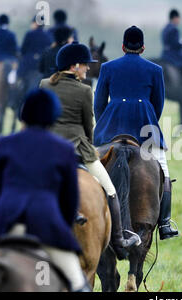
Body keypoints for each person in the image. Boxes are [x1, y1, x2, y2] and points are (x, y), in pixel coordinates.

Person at [0, 88, 91, 292]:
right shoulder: (63, 149)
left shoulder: (5, 143)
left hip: (3, 220)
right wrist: (60, 224)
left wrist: (2, 212)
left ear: (24, 114)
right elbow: (70, 199)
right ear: (52, 116)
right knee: (78, 282)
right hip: (46, 224)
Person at [40, 41, 141, 258]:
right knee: (111, 190)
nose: (88, 68)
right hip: (77, 151)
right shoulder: (85, 90)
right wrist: (90, 146)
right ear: (75, 66)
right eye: (85, 65)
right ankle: (120, 240)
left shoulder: (44, 85)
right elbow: (88, 127)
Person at [94, 26, 178, 240]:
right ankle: (166, 223)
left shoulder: (107, 67)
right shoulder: (155, 70)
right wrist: (147, 118)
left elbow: (99, 103)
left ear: (123, 46)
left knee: (92, 166)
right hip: (144, 125)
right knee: (163, 170)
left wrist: (106, 123)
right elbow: (158, 105)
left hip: (112, 123)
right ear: (142, 47)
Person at [17, 16, 53, 103]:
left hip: (30, 66)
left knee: (19, 83)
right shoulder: (48, 36)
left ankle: (16, 101)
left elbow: (23, 50)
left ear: (36, 23)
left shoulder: (29, 34)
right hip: (44, 68)